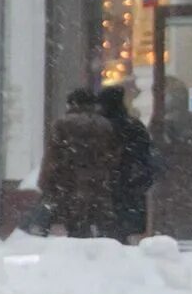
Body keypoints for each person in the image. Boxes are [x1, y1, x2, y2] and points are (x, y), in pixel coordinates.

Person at [36, 87, 117, 238]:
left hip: (68, 184)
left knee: (72, 227)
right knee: (96, 225)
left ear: (71, 104)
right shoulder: (105, 126)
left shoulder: (62, 125)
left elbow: (52, 156)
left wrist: (46, 182)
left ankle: (76, 253)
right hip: (97, 185)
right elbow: (112, 156)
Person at [101, 82, 157, 243]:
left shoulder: (101, 126)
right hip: (132, 184)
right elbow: (146, 153)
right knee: (128, 231)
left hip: (108, 184)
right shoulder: (134, 125)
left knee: (108, 233)